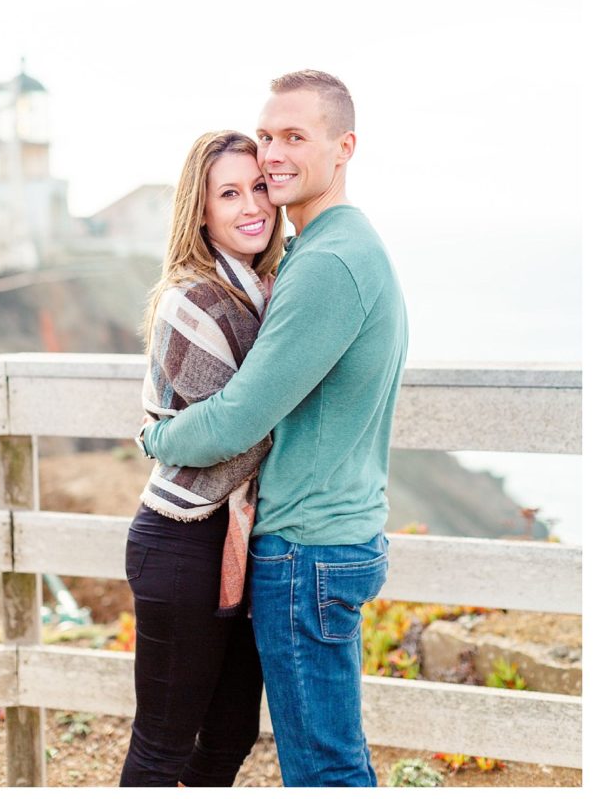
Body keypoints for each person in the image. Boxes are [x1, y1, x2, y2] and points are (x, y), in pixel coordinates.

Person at [140, 70, 409, 787]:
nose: (273, 156)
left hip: (308, 548)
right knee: (323, 757)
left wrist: (156, 439)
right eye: (268, 136)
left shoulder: (325, 264)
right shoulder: (331, 247)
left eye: (295, 137)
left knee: (323, 769)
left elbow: (239, 417)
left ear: (344, 146)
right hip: (327, 537)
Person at [119, 130, 284, 787]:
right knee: (161, 745)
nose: (252, 205)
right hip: (183, 543)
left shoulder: (265, 288)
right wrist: (157, 438)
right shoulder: (191, 298)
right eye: (230, 192)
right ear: (202, 210)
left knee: (231, 733)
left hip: (242, 543)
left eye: (261, 187)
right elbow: (235, 435)